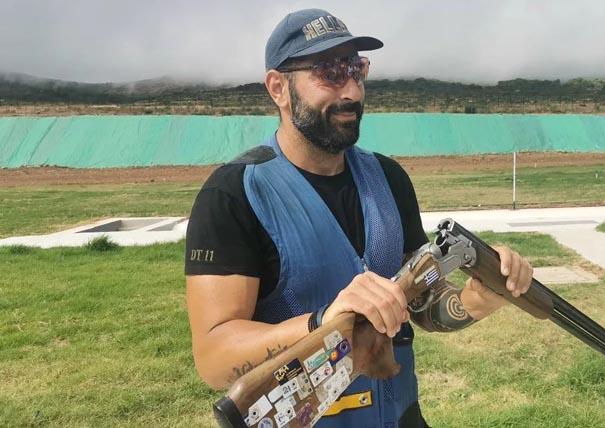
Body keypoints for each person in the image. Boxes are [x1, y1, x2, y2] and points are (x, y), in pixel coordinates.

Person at [185, 8, 533, 428]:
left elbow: (422, 302)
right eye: (329, 72)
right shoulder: (234, 195)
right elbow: (214, 359)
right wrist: (322, 323)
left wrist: (478, 299)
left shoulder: (389, 178)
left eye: (356, 69)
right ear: (278, 88)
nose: (351, 90)